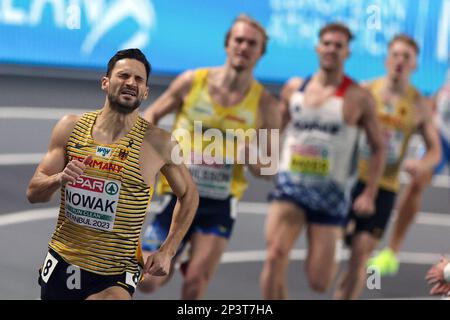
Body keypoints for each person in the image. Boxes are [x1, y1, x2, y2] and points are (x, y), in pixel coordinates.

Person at [26, 48, 199, 300]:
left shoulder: (159, 143)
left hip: (116, 272)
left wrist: (168, 250)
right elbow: (33, 193)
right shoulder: (70, 128)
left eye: (139, 79)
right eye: (124, 75)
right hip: (63, 259)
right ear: (105, 83)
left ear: (146, 92)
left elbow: (189, 194)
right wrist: (59, 178)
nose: (131, 83)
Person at [138, 14, 280, 299]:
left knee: (195, 287)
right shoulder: (192, 82)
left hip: (218, 204)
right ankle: (175, 256)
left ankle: (188, 262)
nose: (244, 47)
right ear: (228, 44)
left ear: (260, 53)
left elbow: (270, 169)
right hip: (176, 193)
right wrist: (155, 150)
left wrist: (251, 156)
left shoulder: (266, 105)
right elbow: (150, 114)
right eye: (239, 40)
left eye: (252, 43)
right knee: (147, 280)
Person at [259, 22, 385, 299]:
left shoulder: (359, 97)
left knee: (319, 281)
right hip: (291, 188)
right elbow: (276, 127)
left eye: (338, 45)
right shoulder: (295, 88)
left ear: (347, 53)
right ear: (318, 48)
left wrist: (370, 192)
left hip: (331, 194)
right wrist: (265, 159)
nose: (331, 50)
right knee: (274, 256)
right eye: (327, 44)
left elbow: (379, 146)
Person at [334, 34, 441, 299]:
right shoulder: (366, 91)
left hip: (385, 187)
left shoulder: (419, 105)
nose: (400, 61)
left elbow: (435, 150)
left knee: (361, 256)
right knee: (331, 251)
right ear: (386, 60)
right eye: (395, 55)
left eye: (407, 57)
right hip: (351, 180)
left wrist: (421, 163)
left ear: (415, 65)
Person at [369, 68, 450, 276]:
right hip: (442, 134)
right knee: (416, 181)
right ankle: (391, 253)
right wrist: (428, 113)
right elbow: (442, 93)